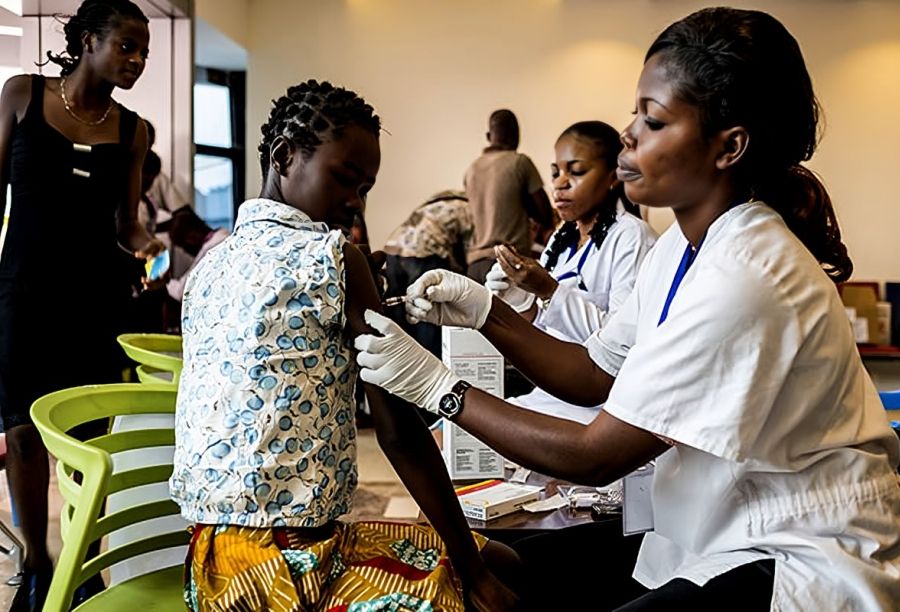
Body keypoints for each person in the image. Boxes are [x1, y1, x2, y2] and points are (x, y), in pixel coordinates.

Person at [355, 7, 900, 610]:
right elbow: (595, 373)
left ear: (729, 147)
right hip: (714, 525)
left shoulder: (748, 273)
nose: (629, 135)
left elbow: (597, 454)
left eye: (652, 121)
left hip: (801, 553)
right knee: (505, 562)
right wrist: (487, 312)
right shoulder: (683, 243)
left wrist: (439, 387)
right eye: (635, 115)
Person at [169, 79, 519, 611]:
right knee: (493, 580)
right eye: (345, 180)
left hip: (212, 567)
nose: (355, 204)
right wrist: (473, 576)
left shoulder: (209, 265)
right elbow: (398, 432)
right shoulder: (333, 256)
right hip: (285, 568)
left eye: (366, 190)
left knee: (497, 560)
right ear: (284, 156)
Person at [0, 1, 162, 609]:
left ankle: (81, 559)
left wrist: (156, 252)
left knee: (86, 435)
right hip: (23, 289)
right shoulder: (21, 95)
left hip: (96, 297)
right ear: (89, 40)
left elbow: (130, 225)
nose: (137, 60)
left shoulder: (133, 130)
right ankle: (38, 565)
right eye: (127, 46)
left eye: (143, 51)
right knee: (21, 428)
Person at [485, 121, 657, 423]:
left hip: (599, 403)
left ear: (612, 177)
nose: (560, 183)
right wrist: (519, 302)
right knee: (444, 437)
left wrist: (549, 291)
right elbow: (546, 333)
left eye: (575, 172)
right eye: (555, 172)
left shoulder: (631, 238)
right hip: (552, 392)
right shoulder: (561, 239)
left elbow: (621, 344)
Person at [464, 109, 552, 283]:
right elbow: (544, 213)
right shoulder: (520, 162)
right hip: (507, 264)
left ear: (489, 136)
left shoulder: (472, 169)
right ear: (517, 136)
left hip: (474, 266)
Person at [383, 189, 472, 358]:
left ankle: (400, 361)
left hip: (394, 250)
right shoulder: (474, 209)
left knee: (399, 314)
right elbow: (471, 253)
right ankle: (429, 364)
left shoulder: (445, 199)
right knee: (427, 311)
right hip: (425, 252)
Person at [163, 205, 229, 304]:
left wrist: (164, 281)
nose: (185, 251)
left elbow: (182, 292)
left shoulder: (211, 249)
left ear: (191, 238)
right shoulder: (223, 234)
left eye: (182, 246)